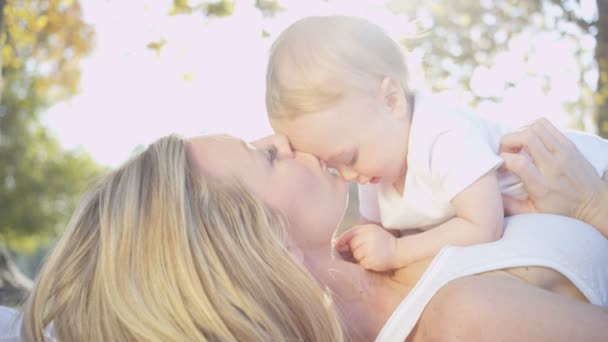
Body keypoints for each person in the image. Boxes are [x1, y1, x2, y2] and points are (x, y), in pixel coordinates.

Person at [2, 132, 606, 341]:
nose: (283, 138)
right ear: (259, 246)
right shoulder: (459, 323)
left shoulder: (394, 221)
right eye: (264, 159)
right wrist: (591, 205)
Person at [265, 15, 608, 272]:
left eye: (348, 157)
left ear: (391, 100)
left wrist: (398, 253)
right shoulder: (375, 169)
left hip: (588, 173)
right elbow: (381, 229)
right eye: (332, 165)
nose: (349, 175)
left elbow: (483, 225)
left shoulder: (445, 136)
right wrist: (358, 248)